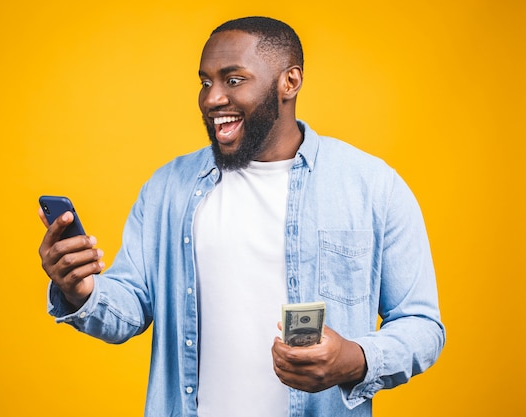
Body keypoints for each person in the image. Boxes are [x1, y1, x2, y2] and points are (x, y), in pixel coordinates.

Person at [38, 16, 445, 417]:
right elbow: (129, 309)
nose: (212, 98)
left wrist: (355, 359)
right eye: (205, 82)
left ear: (290, 82)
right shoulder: (168, 188)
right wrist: (82, 290)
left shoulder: (372, 186)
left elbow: (422, 325)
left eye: (233, 80)